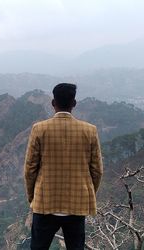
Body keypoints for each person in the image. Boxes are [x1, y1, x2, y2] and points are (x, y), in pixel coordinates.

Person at [24, 83, 103, 250]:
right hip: (76, 205)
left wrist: (33, 196)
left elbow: (30, 168)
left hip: (45, 203)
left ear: (53, 103)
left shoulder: (39, 129)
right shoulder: (90, 131)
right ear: (74, 103)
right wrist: (87, 193)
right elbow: (97, 170)